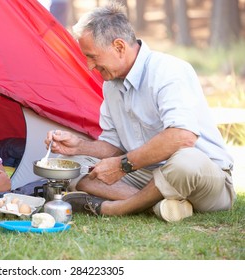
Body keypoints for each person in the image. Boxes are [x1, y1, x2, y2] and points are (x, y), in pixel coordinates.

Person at [45, 3, 236, 222]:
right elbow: (113, 146)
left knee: (186, 161)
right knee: (74, 166)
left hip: (204, 177)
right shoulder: (111, 84)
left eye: (93, 56)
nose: (89, 66)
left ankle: (115, 208)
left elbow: (183, 136)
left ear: (119, 47)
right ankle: (161, 205)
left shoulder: (168, 70)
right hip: (146, 174)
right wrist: (79, 146)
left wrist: (123, 165)